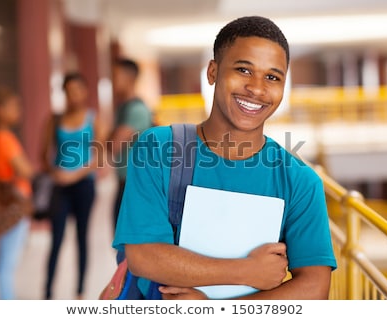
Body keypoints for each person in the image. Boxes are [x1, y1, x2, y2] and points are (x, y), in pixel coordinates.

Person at [112, 16, 337, 300]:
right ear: (212, 72)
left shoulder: (300, 181)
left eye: (272, 77)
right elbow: (143, 256)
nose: (257, 88)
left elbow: (315, 287)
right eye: (244, 70)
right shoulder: (157, 148)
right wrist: (246, 271)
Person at [40, 72, 108, 300]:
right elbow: (44, 155)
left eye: (78, 90)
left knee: (81, 237)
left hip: (84, 187)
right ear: (64, 94)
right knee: (56, 239)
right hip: (60, 187)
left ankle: (79, 291)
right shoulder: (55, 120)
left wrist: (75, 175)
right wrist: (56, 173)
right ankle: (47, 293)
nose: (74, 95)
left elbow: (99, 158)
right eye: (69, 91)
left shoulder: (93, 119)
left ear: (85, 91)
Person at [0, 86, 34, 299]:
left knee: (7, 258)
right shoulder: (3, 137)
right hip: (13, 202)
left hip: (9, 200)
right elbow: (25, 170)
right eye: (13, 107)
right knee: (7, 261)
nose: (18, 111)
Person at [108, 58, 153, 234]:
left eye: (116, 76)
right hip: (124, 184)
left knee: (128, 246)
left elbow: (114, 146)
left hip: (134, 186)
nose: (112, 81)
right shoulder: (123, 109)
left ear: (130, 78)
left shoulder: (136, 110)